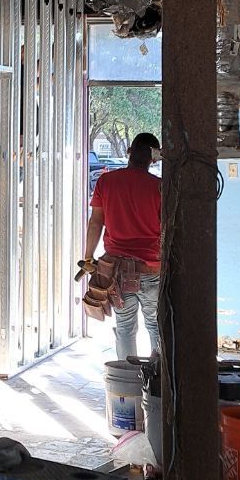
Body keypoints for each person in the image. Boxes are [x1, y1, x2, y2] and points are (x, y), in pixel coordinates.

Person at [80, 131, 161, 360]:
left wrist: (88, 258)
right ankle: (159, 378)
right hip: (152, 270)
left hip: (118, 272)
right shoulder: (160, 187)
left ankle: (128, 379)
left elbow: (95, 223)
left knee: (125, 328)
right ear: (154, 158)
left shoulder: (106, 182)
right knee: (155, 325)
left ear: (128, 152)